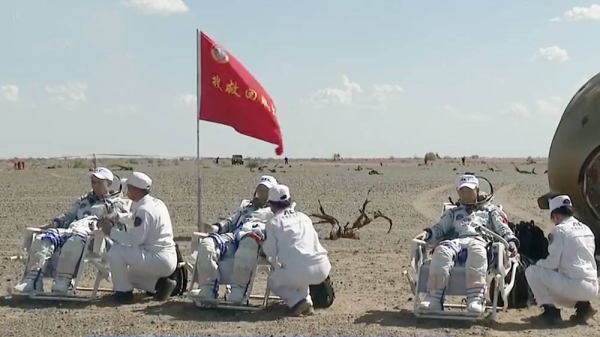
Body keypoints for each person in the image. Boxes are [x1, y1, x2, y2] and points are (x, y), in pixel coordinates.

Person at [414, 174, 519, 313]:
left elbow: (502, 228)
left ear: (477, 190)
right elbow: (439, 228)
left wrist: (511, 240)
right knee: (441, 251)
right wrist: (427, 234)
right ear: (458, 192)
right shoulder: (453, 213)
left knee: (477, 251)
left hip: (480, 241)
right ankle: (434, 297)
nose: (466, 194)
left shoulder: (490, 211)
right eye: (463, 191)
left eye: (469, 190)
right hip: (456, 242)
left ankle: (475, 298)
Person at [15, 167, 130, 294]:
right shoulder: (84, 200)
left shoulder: (115, 203)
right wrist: (47, 226)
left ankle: (62, 282)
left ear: (109, 183)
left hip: (95, 237)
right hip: (74, 230)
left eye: (99, 182)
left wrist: (105, 223)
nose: (94, 185)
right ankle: (33, 281)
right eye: (93, 181)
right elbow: (67, 217)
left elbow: (121, 222)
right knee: (44, 238)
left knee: (74, 241)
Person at [193, 175, 278, 304]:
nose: (262, 193)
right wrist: (214, 228)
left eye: (266, 190)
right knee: (207, 245)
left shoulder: (274, 211)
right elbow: (230, 222)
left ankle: (238, 292)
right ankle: (208, 289)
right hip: (235, 236)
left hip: (254, 238)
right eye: (260, 189)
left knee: (248, 244)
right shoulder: (246, 206)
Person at [99, 172, 178, 303]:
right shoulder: (155, 203)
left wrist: (110, 232)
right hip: (165, 257)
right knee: (125, 276)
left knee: (116, 252)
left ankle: (123, 295)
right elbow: (132, 218)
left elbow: (134, 240)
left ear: (134, 190)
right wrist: (116, 216)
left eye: (128, 187)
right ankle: (160, 285)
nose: (126, 190)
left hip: (157, 258)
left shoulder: (144, 210)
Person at [525, 195, 598, 324]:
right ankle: (583, 308)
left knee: (532, 272)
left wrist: (538, 263)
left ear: (556, 215)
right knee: (567, 273)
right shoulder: (586, 228)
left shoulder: (559, 231)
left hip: (575, 286)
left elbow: (552, 263)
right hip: (592, 287)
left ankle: (550, 313)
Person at [262, 184, 331, 316]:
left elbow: (270, 251)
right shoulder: (304, 217)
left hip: (300, 270)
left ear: (272, 204)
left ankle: (296, 301)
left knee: (273, 281)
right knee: (299, 272)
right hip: (322, 269)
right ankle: (308, 303)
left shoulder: (274, 222)